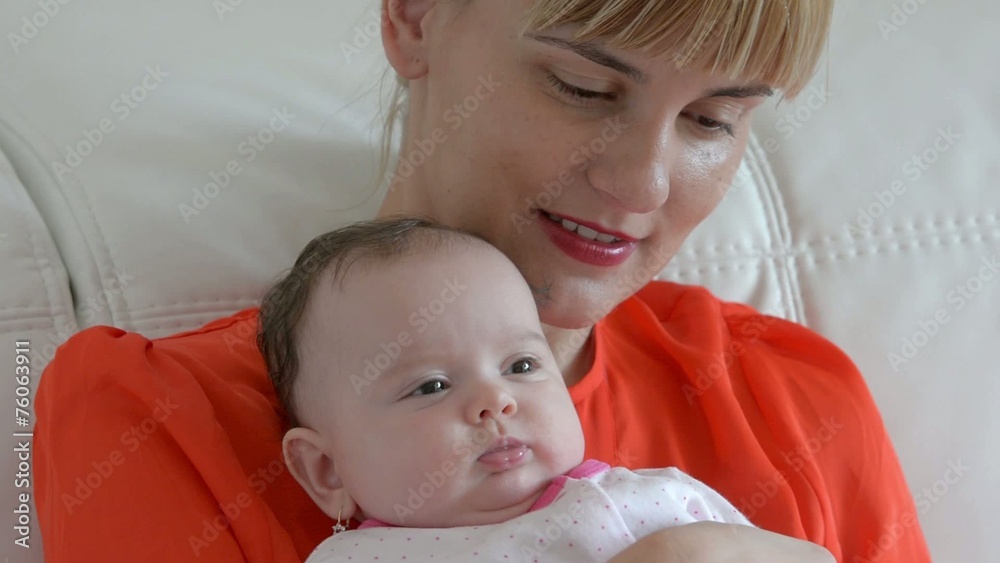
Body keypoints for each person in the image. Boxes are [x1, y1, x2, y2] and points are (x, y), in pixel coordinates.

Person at [34, 0, 931, 561]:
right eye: (583, 87)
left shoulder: (794, 400)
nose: (642, 186)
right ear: (414, 17)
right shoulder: (160, 417)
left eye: (712, 119)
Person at [258, 217, 756, 562]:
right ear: (328, 470)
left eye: (521, 365)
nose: (496, 401)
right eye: (431, 386)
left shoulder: (652, 501)